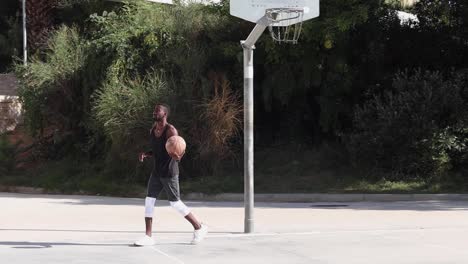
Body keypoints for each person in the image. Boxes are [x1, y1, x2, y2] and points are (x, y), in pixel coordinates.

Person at [134, 104, 208, 246]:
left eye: (158, 111)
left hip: (169, 172)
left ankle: (199, 227)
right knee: (149, 200)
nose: (155, 112)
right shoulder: (153, 130)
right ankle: (148, 236)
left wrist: (177, 157)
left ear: (165, 114)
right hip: (157, 172)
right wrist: (146, 154)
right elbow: (157, 150)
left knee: (175, 203)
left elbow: (179, 150)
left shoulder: (171, 131)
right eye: (154, 110)